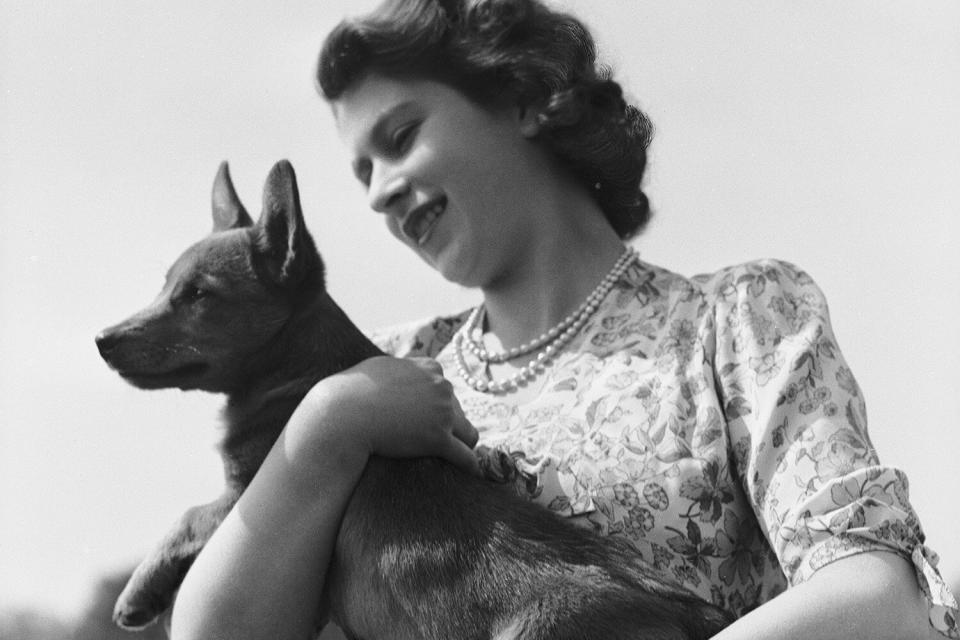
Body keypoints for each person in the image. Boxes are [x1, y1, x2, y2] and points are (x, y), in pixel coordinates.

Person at [170, 0, 959, 638]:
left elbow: (876, 599)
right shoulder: (383, 375)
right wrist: (324, 428)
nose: (377, 191)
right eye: (361, 172)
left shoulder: (738, 318)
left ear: (520, 97)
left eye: (401, 137)